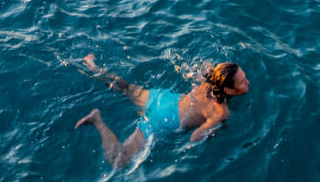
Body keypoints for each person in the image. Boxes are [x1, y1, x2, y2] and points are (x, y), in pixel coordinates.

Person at [75, 53, 248, 168]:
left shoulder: (212, 77)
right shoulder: (221, 112)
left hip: (164, 99)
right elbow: (195, 138)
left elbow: (205, 66)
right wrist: (213, 130)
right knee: (119, 161)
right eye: (242, 81)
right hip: (165, 120)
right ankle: (96, 119)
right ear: (228, 90)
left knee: (125, 88)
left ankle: (91, 65)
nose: (247, 81)